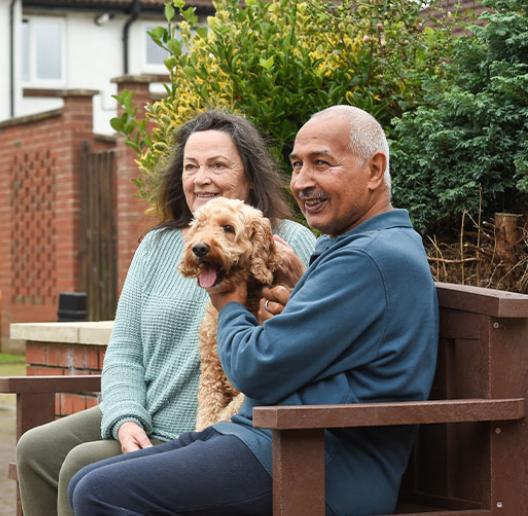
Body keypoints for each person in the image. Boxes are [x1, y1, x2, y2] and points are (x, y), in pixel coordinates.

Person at [68, 105, 439, 516]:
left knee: (100, 491)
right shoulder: (352, 247)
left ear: (374, 171)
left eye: (321, 164)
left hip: (317, 462)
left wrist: (228, 305)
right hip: (273, 437)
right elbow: (325, 346)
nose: (302, 182)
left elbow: (254, 368)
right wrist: (299, 296)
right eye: (297, 165)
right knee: (87, 480)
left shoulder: (368, 258)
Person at [15, 110, 317, 516]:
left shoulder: (285, 242)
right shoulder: (157, 245)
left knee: (81, 464)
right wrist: (125, 418)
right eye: (191, 167)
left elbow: (304, 334)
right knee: (35, 449)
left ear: (249, 176)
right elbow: (124, 350)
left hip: (205, 430)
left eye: (217, 165)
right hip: (146, 410)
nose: (201, 178)